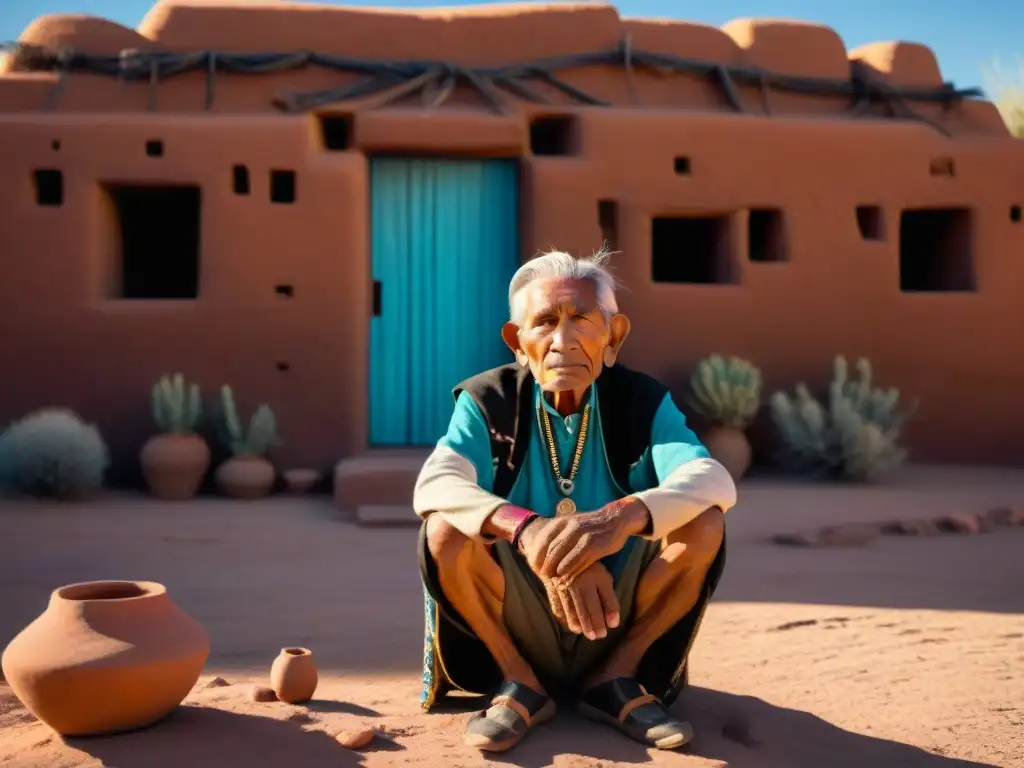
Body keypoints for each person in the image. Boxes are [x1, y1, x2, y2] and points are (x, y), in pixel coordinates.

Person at [413, 248, 737, 753]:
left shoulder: (642, 401)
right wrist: (529, 530)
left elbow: (711, 477)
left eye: (581, 320)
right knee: (444, 530)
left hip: (618, 607)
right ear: (517, 343)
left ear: (614, 337)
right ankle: (520, 684)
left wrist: (618, 520)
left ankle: (616, 678)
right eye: (544, 322)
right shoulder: (487, 400)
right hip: (519, 608)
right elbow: (436, 483)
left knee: (704, 524)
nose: (563, 341)